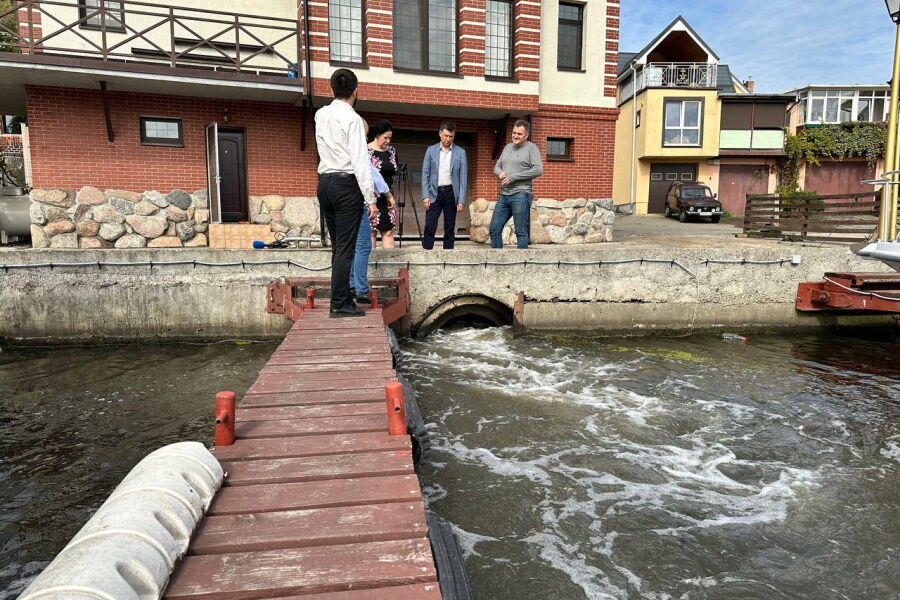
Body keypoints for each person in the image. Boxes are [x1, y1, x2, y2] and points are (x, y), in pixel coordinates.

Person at [315, 68, 377, 318]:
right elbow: (360, 161)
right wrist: (370, 199)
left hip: (325, 182)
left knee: (337, 246)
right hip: (346, 185)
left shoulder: (321, 114)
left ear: (331, 89)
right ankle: (340, 303)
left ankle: (340, 298)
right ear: (355, 91)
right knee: (345, 247)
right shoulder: (353, 119)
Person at [489, 119, 543, 249]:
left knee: (521, 232)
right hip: (504, 195)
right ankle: (497, 260)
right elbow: (497, 166)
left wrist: (513, 177)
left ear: (526, 135)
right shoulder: (507, 147)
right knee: (494, 229)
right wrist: (499, 173)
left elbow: (538, 170)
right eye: (514, 133)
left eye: (519, 134)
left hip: (521, 194)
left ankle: (522, 261)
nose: (515, 136)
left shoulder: (531, 148)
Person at [421, 122, 468, 249]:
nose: (448, 139)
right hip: (433, 193)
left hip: (451, 193)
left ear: (454, 136)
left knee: (449, 227)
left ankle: (447, 256)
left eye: (451, 136)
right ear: (440, 133)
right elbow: (425, 174)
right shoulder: (431, 150)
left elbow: (463, 178)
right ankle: (427, 253)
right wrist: (425, 195)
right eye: (446, 136)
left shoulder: (461, 153)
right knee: (430, 225)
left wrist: (461, 200)